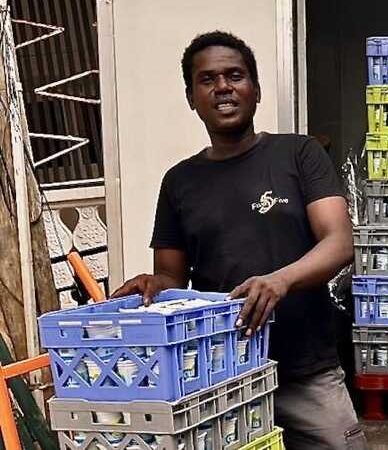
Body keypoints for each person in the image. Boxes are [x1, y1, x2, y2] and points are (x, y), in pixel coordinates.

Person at [111, 31, 367, 450]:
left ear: (256, 89)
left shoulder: (299, 154)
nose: (223, 87)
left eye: (235, 75)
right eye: (207, 79)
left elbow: (339, 243)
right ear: (192, 97)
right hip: (221, 381)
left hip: (306, 372)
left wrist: (280, 280)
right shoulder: (179, 182)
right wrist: (153, 285)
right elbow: (172, 278)